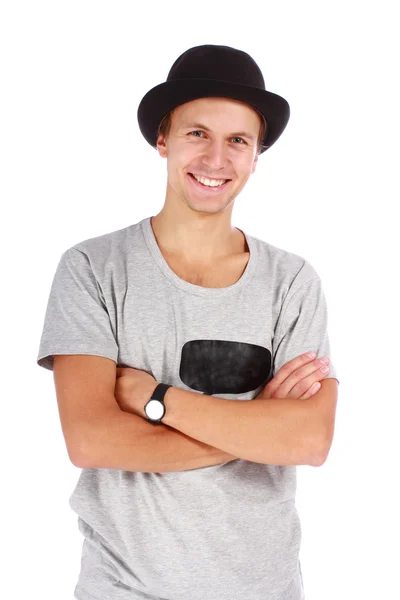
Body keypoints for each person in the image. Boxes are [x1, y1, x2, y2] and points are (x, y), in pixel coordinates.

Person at [37, 44, 339, 600]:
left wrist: (157, 400)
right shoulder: (91, 269)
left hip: (264, 589)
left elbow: (310, 439)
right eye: (197, 133)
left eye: (237, 141)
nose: (216, 159)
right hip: (123, 587)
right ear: (163, 140)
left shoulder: (293, 282)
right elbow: (91, 440)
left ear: (255, 157)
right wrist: (260, 425)